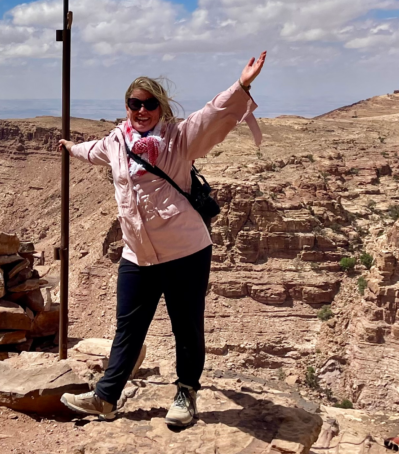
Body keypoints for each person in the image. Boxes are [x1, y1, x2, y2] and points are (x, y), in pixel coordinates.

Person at [57, 53, 266, 426]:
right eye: (135, 104)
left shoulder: (179, 139)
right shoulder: (116, 142)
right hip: (138, 255)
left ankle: (186, 393)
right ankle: (106, 398)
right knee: (128, 327)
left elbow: (213, 115)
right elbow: (92, 152)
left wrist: (242, 86)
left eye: (150, 104)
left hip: (186, 251)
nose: (142, 110)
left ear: (160, 107)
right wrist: (70, 148)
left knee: (185, 326)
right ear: (127, 107)